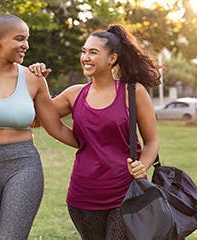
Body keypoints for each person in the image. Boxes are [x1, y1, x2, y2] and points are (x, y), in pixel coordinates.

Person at [0, 14, 77, 240]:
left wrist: (92, 144)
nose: (26, 45)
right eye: (19, 39)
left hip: (24, 166)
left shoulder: (33, 78)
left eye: (27, 39)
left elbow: (54, 126)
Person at [29, 24, 160, 239]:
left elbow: (152, 142)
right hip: (83, 196)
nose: (85, 57)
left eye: (93, 52)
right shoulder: (74, 94)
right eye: (84, 51)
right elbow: (39, 121)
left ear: (112, 58)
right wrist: (38, 82)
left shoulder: (133, 92)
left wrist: (142, 166)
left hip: (126, 193)